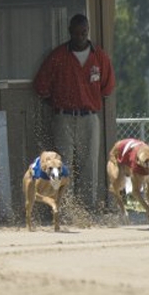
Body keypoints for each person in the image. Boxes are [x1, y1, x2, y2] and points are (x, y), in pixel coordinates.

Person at [33, 13, 115, 210]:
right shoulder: (59, 56)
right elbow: (41, 85)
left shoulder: (99, 56)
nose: (81, 36)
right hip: (64, 117)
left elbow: (108, 87)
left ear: (88, 31)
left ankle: (88, 209)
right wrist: (56, 103)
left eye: (84, 32)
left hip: (89, 117)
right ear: (70, 32)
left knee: (90, 164)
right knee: (62, 164)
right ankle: (64, 208)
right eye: (77, 33)